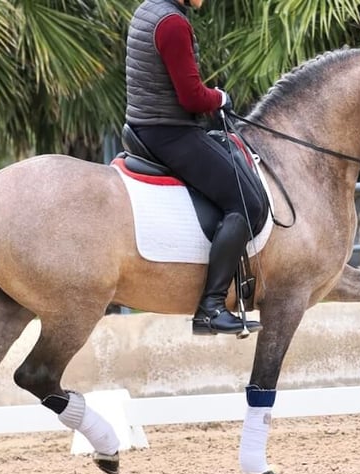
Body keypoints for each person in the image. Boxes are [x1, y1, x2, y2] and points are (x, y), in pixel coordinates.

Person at [125, 0, 265, 336]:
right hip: (169, 133)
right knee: (247, 203)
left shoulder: (149, 9)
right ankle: (211, 308)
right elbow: (191, 97)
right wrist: (219, 98)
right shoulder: (172, 24)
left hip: (144, 125)